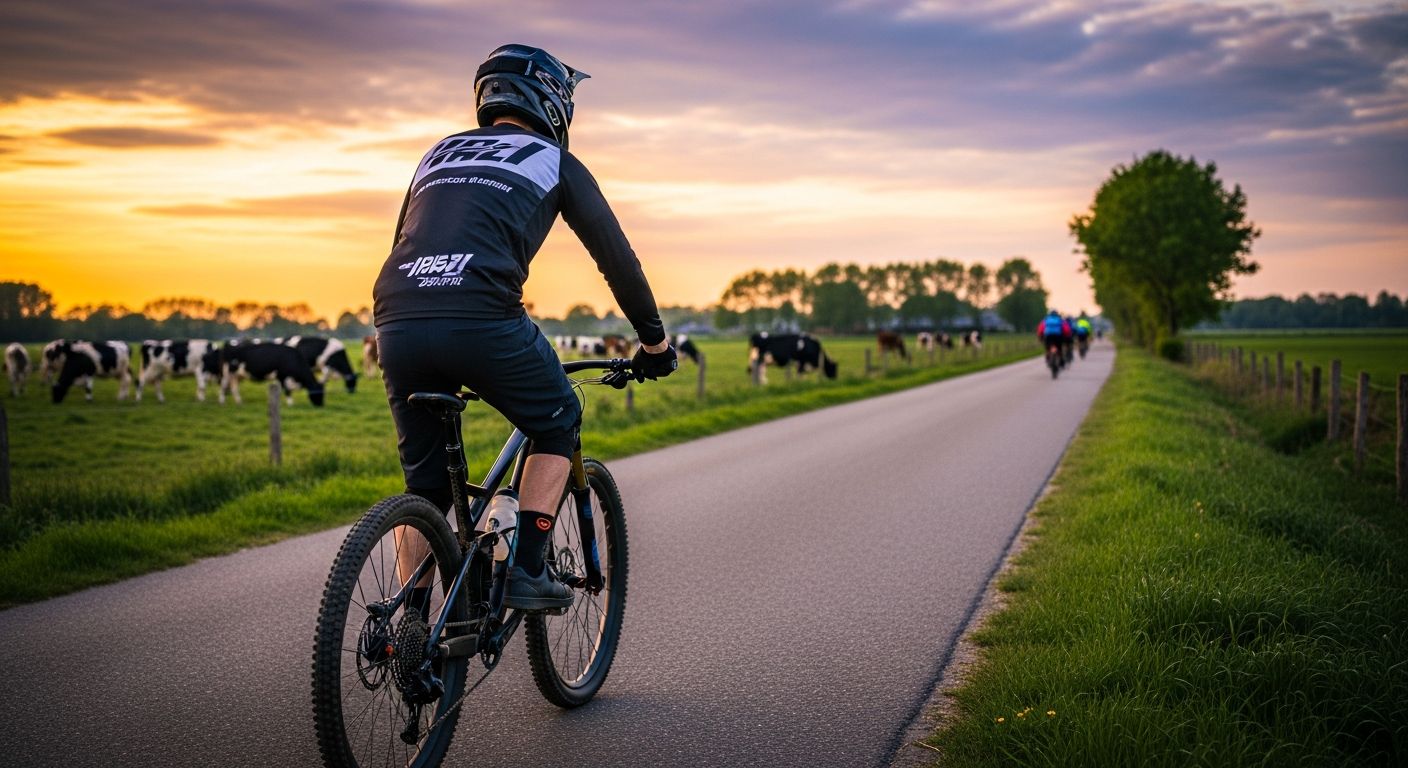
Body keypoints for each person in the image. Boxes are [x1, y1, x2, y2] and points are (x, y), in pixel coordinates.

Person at [372, 43, 677, 612]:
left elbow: (403, 243)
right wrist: (654, 342)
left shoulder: (437, 155)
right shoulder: (552, 159)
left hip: (397, 317)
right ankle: (528, 570)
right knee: (559, 415)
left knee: (427, 489)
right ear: (554, 102)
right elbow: (617, 260)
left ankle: (407, 626)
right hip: (481, 316)